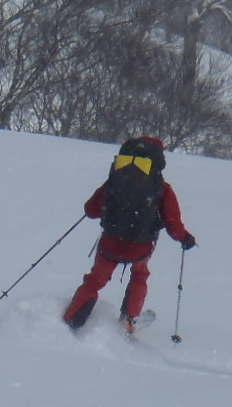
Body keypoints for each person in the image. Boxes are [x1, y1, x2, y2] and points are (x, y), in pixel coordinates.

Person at [63, 137, 196, 333]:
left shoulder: (115, 180)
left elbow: (91, 210)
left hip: (110, 242)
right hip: (141, 246)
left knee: (95, 280)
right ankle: (128, 320)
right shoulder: (162, 188)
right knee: (139, 275)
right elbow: (173, 224)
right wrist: (185, 238)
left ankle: (72, 318)